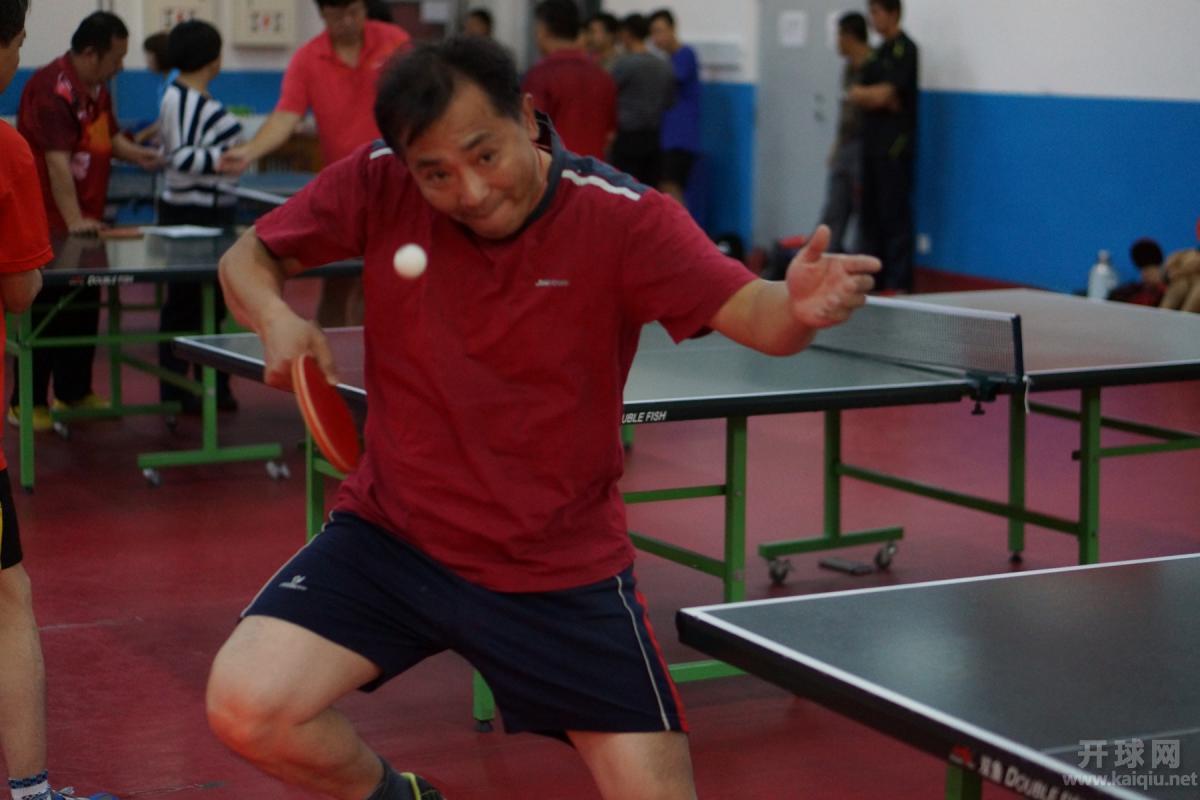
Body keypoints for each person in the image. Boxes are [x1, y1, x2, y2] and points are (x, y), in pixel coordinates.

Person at [206, 35, 878, 800]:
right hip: (395, 538)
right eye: (436, 174)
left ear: (526, 118)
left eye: (484, 155)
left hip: (556, 566)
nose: (470, 191)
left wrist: (797, 308)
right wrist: (276, 318)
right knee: (245, 707)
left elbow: (757, 316)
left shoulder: (623, 218)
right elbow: (246, 259)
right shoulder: (378, 179)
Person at [1, 6, 119, 800]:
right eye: (16, 44)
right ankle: (34, 793)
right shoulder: (6, 145)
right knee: (7, 598)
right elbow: (19, 290)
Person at [8, 11, 161, 432]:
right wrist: (74, 220)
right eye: (117, 57)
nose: (121, 66)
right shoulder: (51, 90)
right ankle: (27, 402)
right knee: (45, 311)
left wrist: (143, 156)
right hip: (51, 225)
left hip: (88, 223)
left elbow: (107, 139)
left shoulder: (96, 91)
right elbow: (57, 163)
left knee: (84, 304)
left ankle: (74, 391)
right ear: (91, 53)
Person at [218, 0, 411, 329]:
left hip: (397, 184)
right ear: (322, 14)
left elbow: (420, 101)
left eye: (355, 11)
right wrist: (249, 151)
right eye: (337, 14)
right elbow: (286, 116)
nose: (347, 21)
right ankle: (330, 354)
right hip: (345, 190)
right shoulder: (308, 58)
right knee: (337, 282)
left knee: (382, 285)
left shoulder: (395, 42)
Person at [155, 19, 243, 413]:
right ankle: (178, 389)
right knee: (185, 304)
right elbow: (180, 157)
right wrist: (226, 159)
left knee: (212, 304)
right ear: (212, 58)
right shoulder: (183, 99)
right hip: (193, 214)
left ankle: (213, 385)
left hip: (210, 212)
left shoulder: (187, 97)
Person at [849, 0, 918, 291]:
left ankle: (899, 283)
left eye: (877, 12)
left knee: (894, 216)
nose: (872, 19)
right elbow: (858, 93)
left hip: (894, 148)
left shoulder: (906, 50)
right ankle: (873, 281)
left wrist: (877, 96)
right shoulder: (876, 54)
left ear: (893, 14)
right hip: (871, 145)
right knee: (871, 217)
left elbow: (886, 96)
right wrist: (874, 96)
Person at [522, 0, 616, 160]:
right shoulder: (603, 77)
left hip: (555, 170)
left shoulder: (540, 76)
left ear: (543, 30)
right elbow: (610, 135)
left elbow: (530, 133)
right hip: (595, 171)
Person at [818, 12, 870, 254]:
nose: (836, 42)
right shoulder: (848, 68)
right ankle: (828, 253)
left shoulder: (874, 66)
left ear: (849, 36)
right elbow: (846, 110)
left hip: (865, 145)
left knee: (863, 209)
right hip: (846, 143)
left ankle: (860, 259)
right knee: (835, 205)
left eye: (839, 35)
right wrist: (836, 145)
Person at [609, 13, 674, 187]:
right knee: (649, 191)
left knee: (625, 189)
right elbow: (669, 102)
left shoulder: (624, 64)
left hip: (627, 138)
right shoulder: (664, 65)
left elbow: (608, 94)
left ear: (627, 34)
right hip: (654, 137)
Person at [647, 8, 701, 206]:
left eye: (660, 31)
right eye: (653, 33)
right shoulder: (666, 61)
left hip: (680, 138)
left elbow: (671, 80)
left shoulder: (685, 55)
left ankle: (682, 227)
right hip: (665, 137)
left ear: (672, 29)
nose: (656, 38)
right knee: (664, 187)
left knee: (671, 187)